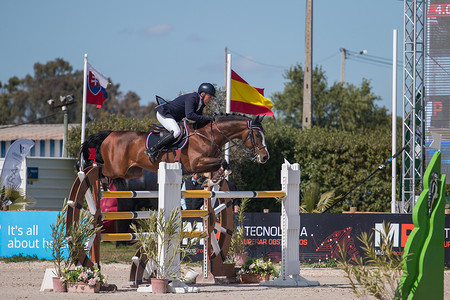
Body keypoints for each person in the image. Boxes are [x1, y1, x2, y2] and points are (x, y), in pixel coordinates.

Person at [145, 83, 217, 161]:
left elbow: (198, 118)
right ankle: (152, 150)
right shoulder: (192, 98)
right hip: (165, 113)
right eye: (209, 97)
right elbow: (189, 115)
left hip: (175, 118)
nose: (210, 99)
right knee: (176, 132)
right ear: (202, 94)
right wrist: (206, 118)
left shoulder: (201, 104)